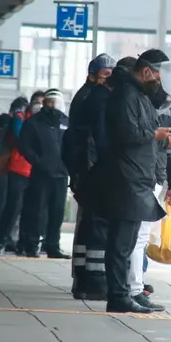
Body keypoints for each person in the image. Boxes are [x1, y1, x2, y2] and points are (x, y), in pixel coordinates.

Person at [95, 49, 171, 313]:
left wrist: (159, 136)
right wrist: (155, 134)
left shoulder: (140, 95)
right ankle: (118, 296)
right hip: (126, 176)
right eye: (158, 77)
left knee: (127, 241)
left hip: (138, 175)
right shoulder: (126, 95)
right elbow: (128, 133)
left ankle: (124, 294)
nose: (159, 84)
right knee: (121, 242)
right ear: (146, 72)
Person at [66, 54, 117, 300]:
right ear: (94, 74)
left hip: (82, 167)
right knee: (97, 223)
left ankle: (82, 277)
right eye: (106, 74)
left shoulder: (83, 94)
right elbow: (97, 138)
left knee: (87, 223)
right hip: (91, 167)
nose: (110, 79)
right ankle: (95, 281)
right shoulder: (97, 97)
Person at [137, 73, 171, 303]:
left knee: (143, 235)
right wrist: (162, 141)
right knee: (137, 235)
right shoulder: (142, 106)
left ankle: (137, 280)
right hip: (138, 176)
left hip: (155, 178)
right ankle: (133, 284)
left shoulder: (170, 115)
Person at [17, 89, 71, 259]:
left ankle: (53, 245)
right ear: (44, 103)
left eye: (56, 102)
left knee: (57, 212)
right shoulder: (34, 122)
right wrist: (38, 162)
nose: (53, 106)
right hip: (41, 174)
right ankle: (32, 244)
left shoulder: (66, 122)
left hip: (61, 175)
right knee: (37, 210)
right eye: (50, 102)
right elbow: (24, 145)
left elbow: (73, 145)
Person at [0, 95, 36, 255]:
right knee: (11, 207)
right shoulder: (20, 118)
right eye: (36, 102)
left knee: (29, 210)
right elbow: (20, 139)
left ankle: (22, 243)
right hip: (17, 168)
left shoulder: (43, 121)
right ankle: (1, 241)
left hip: (35, 171)